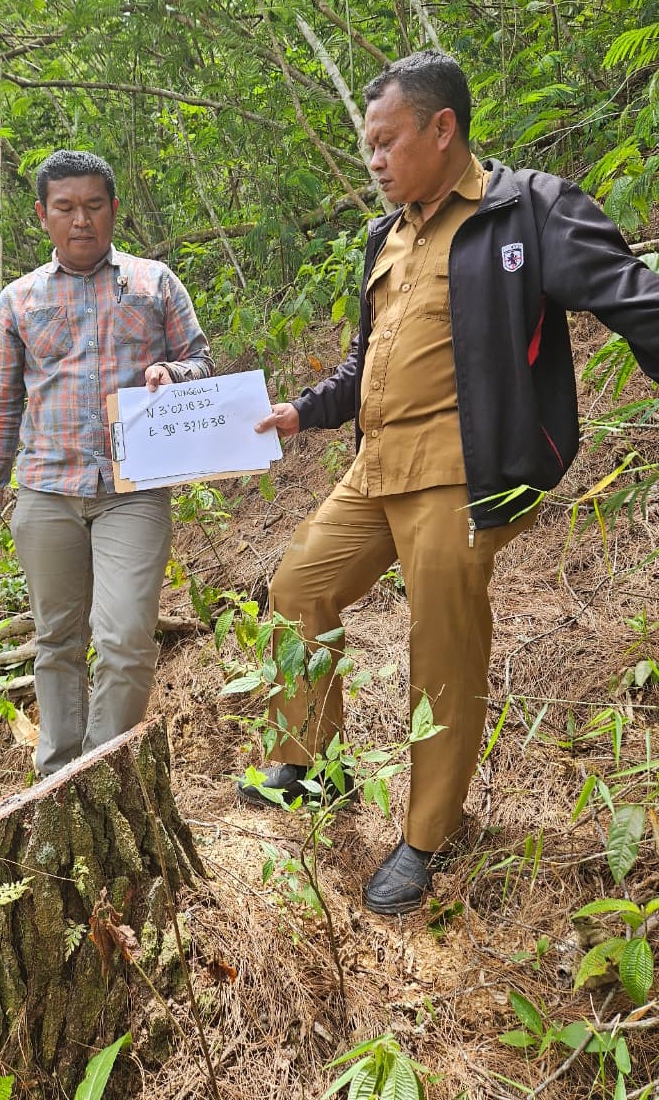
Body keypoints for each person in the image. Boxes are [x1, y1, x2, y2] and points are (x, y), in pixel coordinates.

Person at [240, 51, 659, 914]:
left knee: (442, 645)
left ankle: (427, 836)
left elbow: (631, 294)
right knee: (295, 590)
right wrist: (304, 412)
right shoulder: (382, 236)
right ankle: (313, 766)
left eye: (387, 142)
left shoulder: (527, 208)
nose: (375, 160)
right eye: (367, 147)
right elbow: (368, 362)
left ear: (442, 128)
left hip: (465, 469)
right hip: (377, 463)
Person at [0, 149, 213, 777]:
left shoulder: (153, 283)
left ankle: (101, 775)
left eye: (94, 206)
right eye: (66, 208)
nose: (82, 220)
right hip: (47, 491)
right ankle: (55, 779)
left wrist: (173, 373)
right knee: (56, 642)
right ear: (43, 216)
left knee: (126, 637)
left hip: (131, 489)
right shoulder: (17, 302)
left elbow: (201, 362)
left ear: (113, 211)